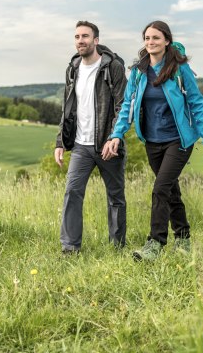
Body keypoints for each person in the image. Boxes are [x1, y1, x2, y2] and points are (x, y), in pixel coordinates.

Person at [103, 20, 203, 261]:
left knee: (160, 188)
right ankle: (183, 237)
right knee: (171, 190)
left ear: (166, 40)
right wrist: (116, 134)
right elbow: (127, 107)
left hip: (179, 140)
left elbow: (197, 102)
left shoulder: (179, 69)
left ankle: (155, 243)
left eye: (155, 38)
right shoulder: (138, 72)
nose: (150, 42)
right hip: (152, 141)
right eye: (147, 38)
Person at [55, 20, 127, 253]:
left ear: (96, 40)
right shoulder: (73, 68)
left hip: (108, 145)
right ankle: (70, 247)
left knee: (115, 197)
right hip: (80, 146)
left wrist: (114, 137)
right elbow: (67, 108)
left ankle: (117, 246)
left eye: (85, 36)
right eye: (77, 37)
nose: (80, 41)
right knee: (72, 192)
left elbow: (122, 105)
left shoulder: (112, 67)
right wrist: (60, 142)